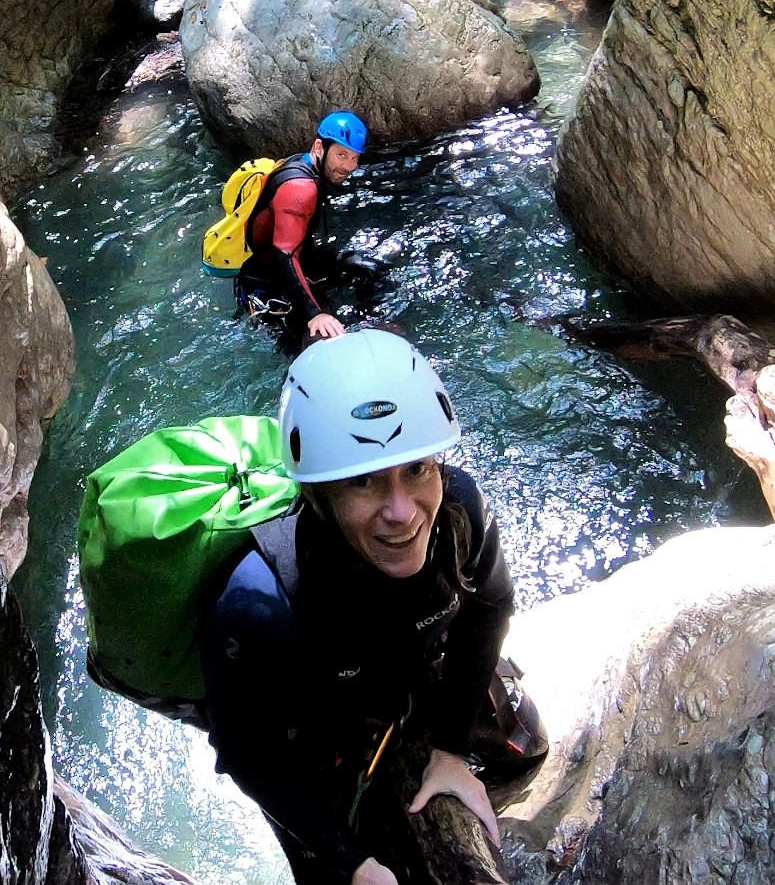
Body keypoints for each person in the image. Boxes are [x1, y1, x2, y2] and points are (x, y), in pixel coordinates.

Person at [200, 330, 545, 885]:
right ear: (316, 496)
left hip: (415, 666)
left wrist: (451, 751)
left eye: (416, 469)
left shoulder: (462, 513)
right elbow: (249, 756)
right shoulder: (258, 603)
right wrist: (351, 861)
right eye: (363, 482)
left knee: (522, 744)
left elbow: (489, 609)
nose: (403, 512)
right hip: (315, 725)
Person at [237, 111, 369, 350]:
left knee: (366, 271)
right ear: (319, 147)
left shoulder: (305, 163)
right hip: (268, 281)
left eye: (354, 158)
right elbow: (284, 255)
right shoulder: (300, 188)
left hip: (298, 260)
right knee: (315, 340)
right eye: (341, 155)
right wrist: (314, 313)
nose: (349, 166)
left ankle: (378, 328)